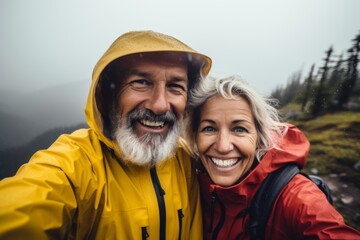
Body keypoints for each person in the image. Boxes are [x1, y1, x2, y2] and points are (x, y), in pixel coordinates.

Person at [0, 30, 212, 239]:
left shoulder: (193, 160)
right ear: (108, 94)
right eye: (141, 82)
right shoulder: (76, 164)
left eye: (175, 86)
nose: (159, 105)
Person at [184, 75, 360, 239]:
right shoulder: (190, 181)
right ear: (195, 136)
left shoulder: (295, 196)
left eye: (239, 129)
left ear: (260, 139)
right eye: (209, 128)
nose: (223, 146)